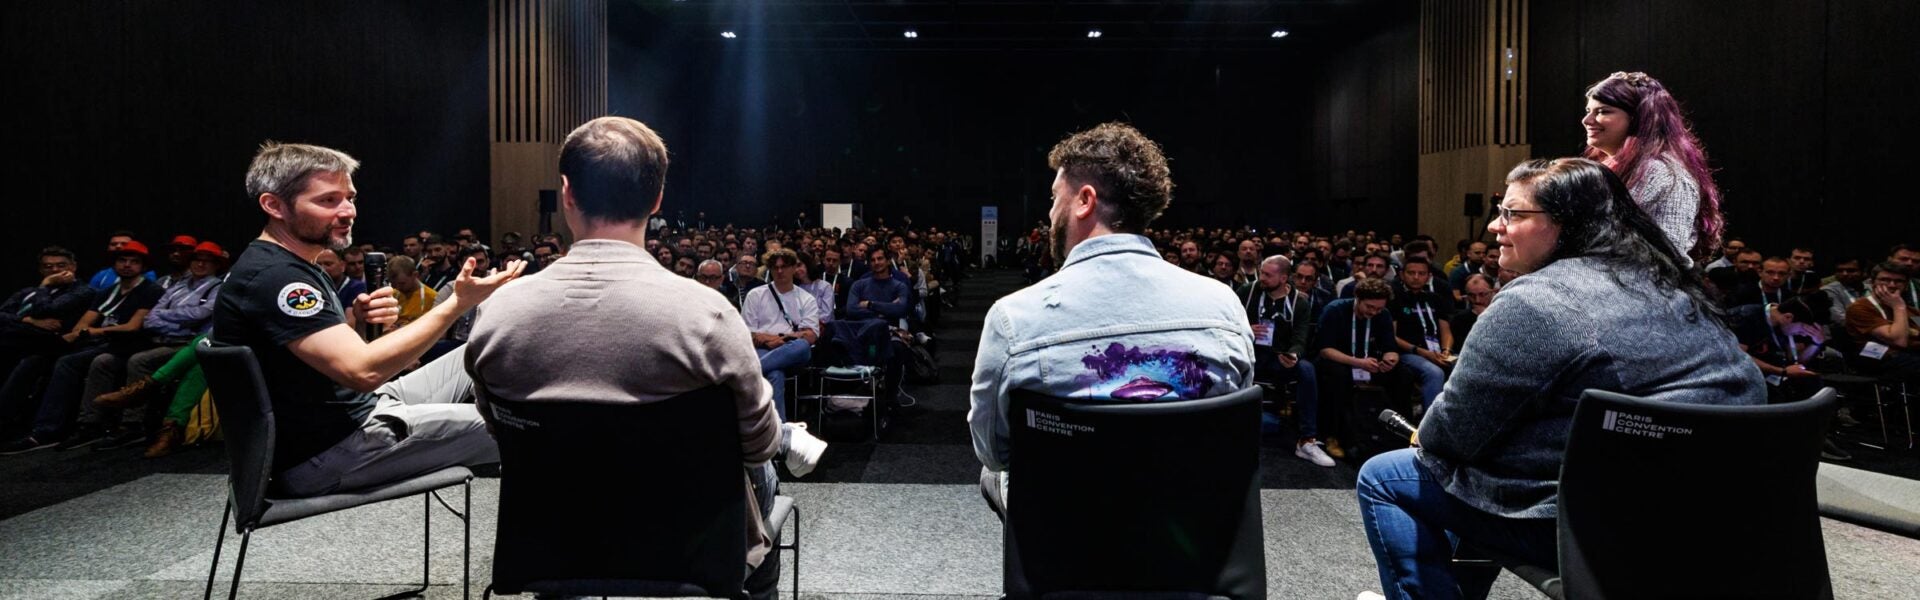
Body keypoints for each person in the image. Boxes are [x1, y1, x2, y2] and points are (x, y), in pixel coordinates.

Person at [1355, 158, 1763, 600]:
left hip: (1601, 530)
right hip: (1717, 521)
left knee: (1385, 476)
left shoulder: (1536, 302)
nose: (1494, 226)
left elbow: (1446, 437)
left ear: (1565, 224)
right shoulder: (1675, 286)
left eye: (1512, 213)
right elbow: (1746, 390)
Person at [465, 117, 819, 599]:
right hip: (692, 551)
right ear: (657, 198)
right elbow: (757, 446)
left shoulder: (496, 314)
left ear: (566, 192)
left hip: (552, 548)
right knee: (764, 472)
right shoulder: (708, 314)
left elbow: (500, 432)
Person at [968, 122, 1256, 517]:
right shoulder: (1224, 307)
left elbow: (993, 451)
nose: (1050, 213)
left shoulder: (1014, 320)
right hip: (1190, 538)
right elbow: (1231, 437)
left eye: (1054, 198)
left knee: (990, 474)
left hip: (1067, 546)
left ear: (1084, 200)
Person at [210, 141, 521, 497]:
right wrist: (457, 304)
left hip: (353, 412)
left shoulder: (295, 264)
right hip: (331, 450)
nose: (347, 211)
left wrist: (357, 320)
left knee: (479, 350)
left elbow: (318, 361)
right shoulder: (276, 277)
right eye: (328, 200)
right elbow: (363, 372)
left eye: (350, 198)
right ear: (274, 205)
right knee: (536, 430)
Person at [2, 242, 163, 453]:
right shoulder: (107, 291)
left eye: (134, 262)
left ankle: (54, 428)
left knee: (69, 362)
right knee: (36, 358)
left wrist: (90, 332)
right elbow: (84, 323)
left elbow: (132, 327)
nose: (127, 265)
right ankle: (12, 423)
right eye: (122, 260)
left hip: (129, 343)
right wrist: (73, 334)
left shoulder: (150, 290)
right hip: (100, 340)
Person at [1581, 71, 1725, 266]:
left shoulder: (1663, 172)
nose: (1587, 120)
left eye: (1603, 111)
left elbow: (1664, 259)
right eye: (1588, 110)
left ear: (1639, 118)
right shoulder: (1616, 167)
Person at [1238, 256, 1330, 467]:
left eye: (1268, 275)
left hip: (1278, 357)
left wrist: (1293, 355)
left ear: (1284, 278)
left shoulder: (1299, 302)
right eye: (1261, 272)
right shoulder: (1247, 291)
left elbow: (1300, 337)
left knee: (1306, 369)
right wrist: (1245, 329)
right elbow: (1228, 321)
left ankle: (1307, 440)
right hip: (1248, 354)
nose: (1262, 278)